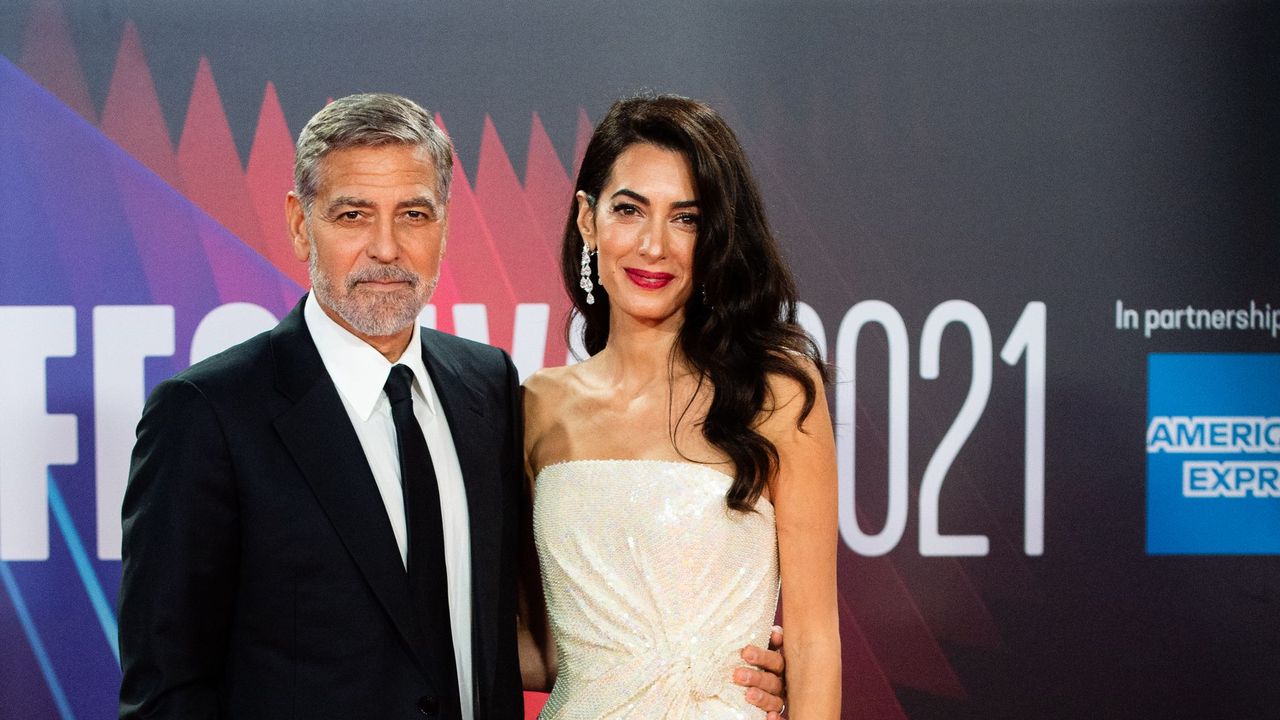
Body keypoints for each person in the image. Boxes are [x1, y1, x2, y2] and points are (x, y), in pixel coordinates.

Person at [118, 92, 786, 720]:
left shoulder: (486, 387)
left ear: (444, 224)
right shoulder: (207, 414)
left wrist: (718, 660)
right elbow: (165, 689)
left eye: (413, 214)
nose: (386, 248)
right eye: (353, 214)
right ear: (300, 222)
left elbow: (528, 631)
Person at [521, 94, 842, 718]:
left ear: (716, 235)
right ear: (587, 220)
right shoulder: (536, 407)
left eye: (686, 218)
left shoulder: (777, 393)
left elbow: (813, 640)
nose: (654, 245)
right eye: (629, 209)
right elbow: (545, 645)